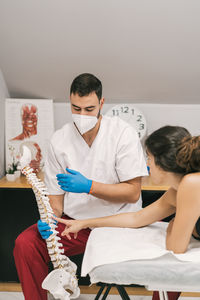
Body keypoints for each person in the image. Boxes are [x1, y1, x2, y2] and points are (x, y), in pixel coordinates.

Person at [13, 73, 148, 300]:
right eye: (76, 108)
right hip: (77, 226)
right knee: (26, 243)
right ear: (70, 102)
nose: (82, 115)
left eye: (89, 109)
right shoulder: (59, 140)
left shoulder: (122, 134)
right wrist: (49, 220)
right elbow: (55, 202)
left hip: (118, 225)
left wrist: (89, 186)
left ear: (101, 103)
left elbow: (133, 193)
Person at [54, 125, 200, 300]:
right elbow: (136, 218)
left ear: (163, 163)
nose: (147, 164)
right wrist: (84, 223)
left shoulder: (192, 184)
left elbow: (176, 249)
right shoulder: (176, 192)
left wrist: (173, 224)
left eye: (149, 158)